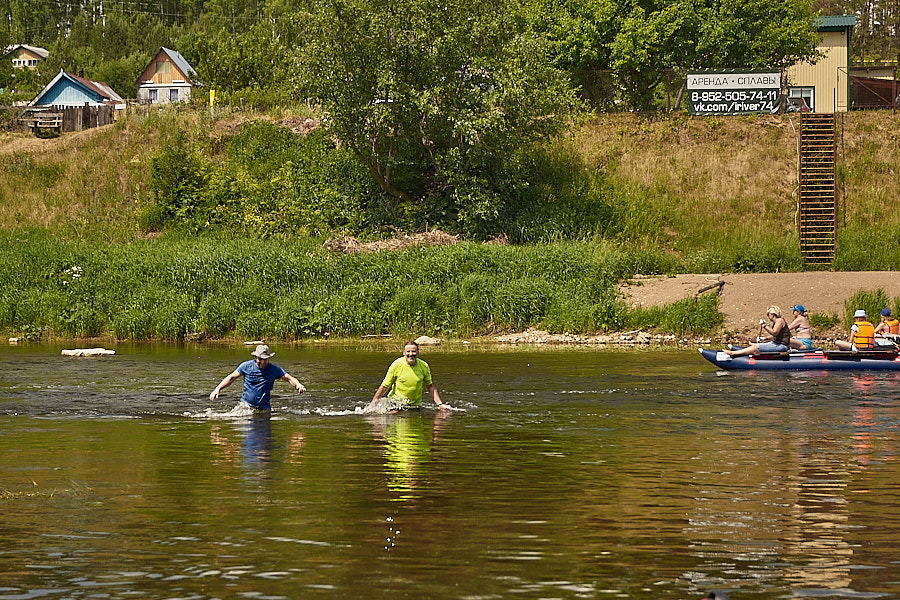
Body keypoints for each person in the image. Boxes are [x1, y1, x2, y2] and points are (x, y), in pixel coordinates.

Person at [209, 344, 306, 410]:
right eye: (260, 359)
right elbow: (231, 377)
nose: (263, 362)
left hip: (264, 408)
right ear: (255, 357)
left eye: (265, 359)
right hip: (246, 407)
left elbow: (289, 378)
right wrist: (217, 389)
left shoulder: (274, 369)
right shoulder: (246, 366)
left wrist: (298, 384)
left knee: (265, 438)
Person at [366, 341, 448, 412]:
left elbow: (430, 387)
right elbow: (384, 386)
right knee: (394, 414)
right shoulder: (396, 365)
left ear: (418, 352)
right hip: (396, 403)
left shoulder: (424, 366)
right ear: (404, 353)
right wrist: (373, 404)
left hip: (415, 405)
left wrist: (440, 404)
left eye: (413, 351)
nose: (411, 354)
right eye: (408, 351)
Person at [725, 306, 790, 357]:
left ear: (773, 314)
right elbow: (776, 335)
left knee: (756, 347)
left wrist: (764, 326)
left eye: (768, 314)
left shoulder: (779, 321)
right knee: (755, 345)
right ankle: (748, 349)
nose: (768, 316)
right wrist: (765, 338)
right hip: (777, 344)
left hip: (781, 346)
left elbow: (775, 333)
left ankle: (734, 353)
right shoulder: (777, 322)